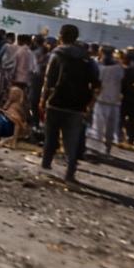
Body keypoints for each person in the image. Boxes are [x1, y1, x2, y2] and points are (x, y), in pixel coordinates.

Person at [39, 23, 100, 182]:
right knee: (72, 140)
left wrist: (43, 99)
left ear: (61, 36)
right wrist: (90, 104)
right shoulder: (87, 58)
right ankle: (70, 172)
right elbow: (96, 84)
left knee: (51, 135)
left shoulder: (57, 54)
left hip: (56, 102)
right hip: (77, 106)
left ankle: (46, 165)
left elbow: (49, 80)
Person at [89, 45, 124, 156]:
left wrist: (92, 101)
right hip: (115, 102)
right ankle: (107, 149)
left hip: (101, 100)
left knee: (98, 127)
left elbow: (97, 86)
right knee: (111, 127)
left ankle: (95, 150)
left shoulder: (100, 67)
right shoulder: (119, 68)